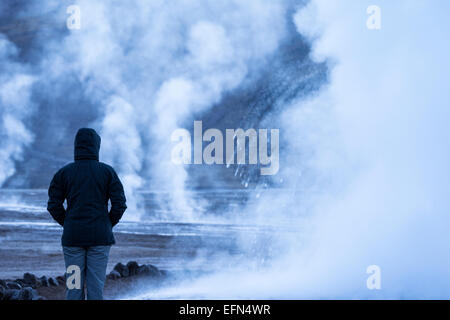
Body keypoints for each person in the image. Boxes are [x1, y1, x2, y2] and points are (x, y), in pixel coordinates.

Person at [47, 128, 127, 300]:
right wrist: (106, 224)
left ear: (76, 146)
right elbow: (120, 204)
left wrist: (68, 223)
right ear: (97, 146)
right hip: (100, 239)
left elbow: (53, 205)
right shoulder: (107, 172)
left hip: (72, 240)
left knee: (73, 288)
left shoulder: (64, 173)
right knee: (95, 289)